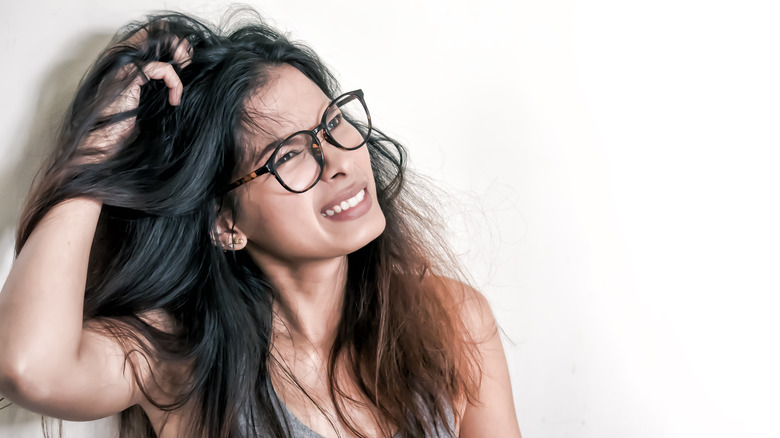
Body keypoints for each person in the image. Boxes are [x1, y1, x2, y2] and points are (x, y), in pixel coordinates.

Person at [0, 10, 521, 438]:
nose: (338, 160)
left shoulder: (453, 321)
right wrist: (96, 146)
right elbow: (28, 367)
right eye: (289, 154)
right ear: (224, 222)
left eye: (333, 122)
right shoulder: (181, 353)